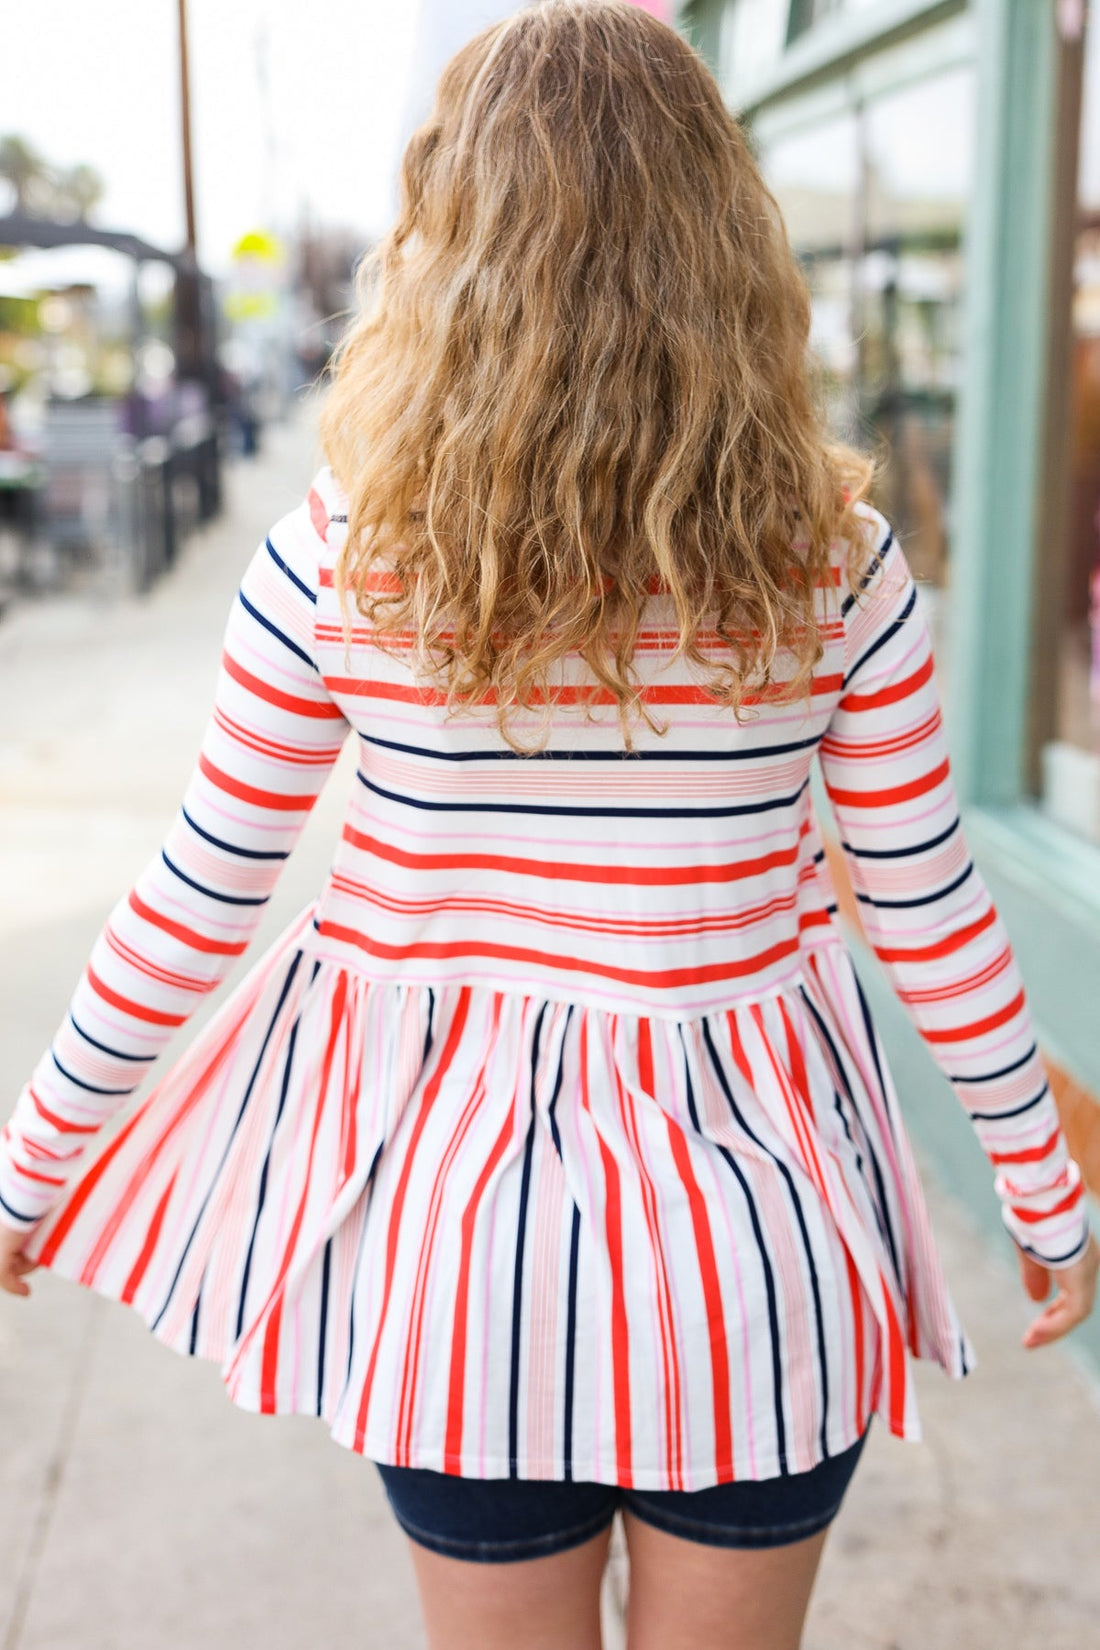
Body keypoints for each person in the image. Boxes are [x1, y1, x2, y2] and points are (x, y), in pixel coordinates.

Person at [1, 6, 1096, 1647]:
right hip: (762, 1261)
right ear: (725, 231)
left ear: (446, 238)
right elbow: (929, 911)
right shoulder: (832, 564)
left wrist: (29, 1171)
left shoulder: (344, 559)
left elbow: (198, 897)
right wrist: (1044, 1194)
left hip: (458, 1271)